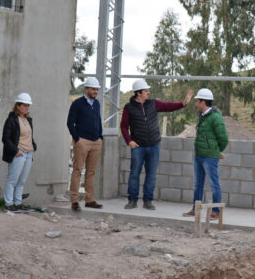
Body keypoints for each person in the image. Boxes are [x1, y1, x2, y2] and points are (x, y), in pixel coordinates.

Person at [120, 78, 193, 210]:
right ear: (138, 93)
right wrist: (129, 141)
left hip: (154, 145)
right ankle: (132, 200)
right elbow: (123, 126)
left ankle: (148, 201)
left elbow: (168, 106)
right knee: (134, 173)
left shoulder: (153, 104)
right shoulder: (129, 108)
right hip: (138, 147)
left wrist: (183, 103)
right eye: (146, 90)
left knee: (151, 174)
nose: (148, 92)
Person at [185, 87, 229, 218]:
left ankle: (216, 211)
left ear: (203, 102)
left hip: (210, 157)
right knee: (198, 184)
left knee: (214, 184)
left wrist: (215, 151)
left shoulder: (216, 118)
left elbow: (224, 139)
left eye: (197, 101)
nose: (195, 104)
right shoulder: (202, 117)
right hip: (199, 156)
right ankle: (195, 209)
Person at [66, 76, 104, 211]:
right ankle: (75, 201)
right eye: (93, 89)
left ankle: (90, 200)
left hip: (96, 142)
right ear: (87, 89)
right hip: (82, 141)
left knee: (91, 172)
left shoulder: (97, 104)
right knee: (77, 170)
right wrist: (77, 139)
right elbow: (70, 122)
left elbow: (98, 120)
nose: (96, 92)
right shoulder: (77, 103)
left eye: (97, 89)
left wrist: (100, 136)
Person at [2, 92, 38, 211]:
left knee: (22, 180)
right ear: (18, 106)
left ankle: (18, 202)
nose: (27, 108)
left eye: (28, 106)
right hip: (19, 152)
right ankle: (8, 203)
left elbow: (29, 136)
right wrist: (15, 150)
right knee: (12, 180)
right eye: (24, 105)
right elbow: (5, 138)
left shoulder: (28, 120)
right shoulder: (11, 120)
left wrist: (33, 145)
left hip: (29, 152)